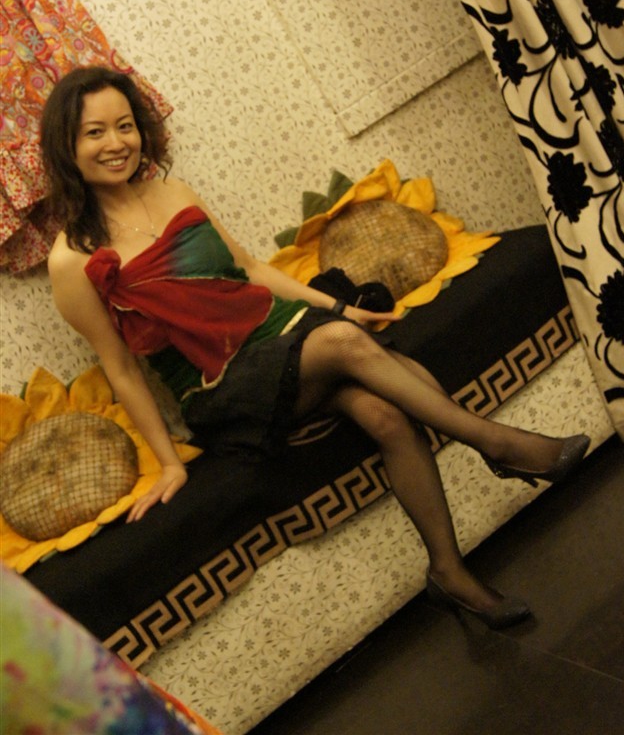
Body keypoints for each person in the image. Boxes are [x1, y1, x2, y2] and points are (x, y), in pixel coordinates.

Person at [42, 66, 590, 630]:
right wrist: (168, 464)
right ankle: (497, 443)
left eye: (125, 126)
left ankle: (450, 573)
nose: (116, 143)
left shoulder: (172, 192)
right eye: (95, 132)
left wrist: (340, 307)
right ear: (67, 146)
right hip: (221, 384)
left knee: (383, 412)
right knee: (342, 341)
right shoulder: (72, 260)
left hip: (282, 335)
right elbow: (121, 368)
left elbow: (250, 268)